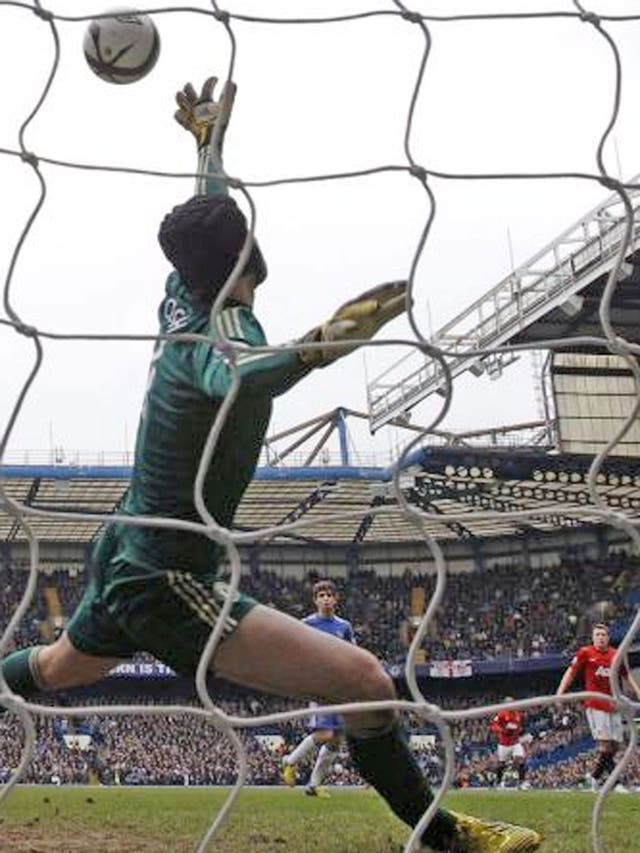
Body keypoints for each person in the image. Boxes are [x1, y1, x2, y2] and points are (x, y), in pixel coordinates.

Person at [0, 75, 542, 853]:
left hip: (128, 544)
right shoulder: (217, 341)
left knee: (53, 668)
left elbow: (211, 221)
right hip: (167, 574)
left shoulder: (182, 291)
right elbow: (244, 373)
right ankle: (442, 836)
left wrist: (208, 147)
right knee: (364, 681)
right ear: (248, 252)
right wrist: (321, 344)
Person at [281, 579, 355, 797]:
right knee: (325, 733)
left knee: (336, 739)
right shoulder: (307, 624)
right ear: (315, 600)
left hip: (339, 686)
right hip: (319, 684)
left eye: (329, 595)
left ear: (336, 599)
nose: (326, 599)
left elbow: (352, 653)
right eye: (321, 595)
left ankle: (313, 786)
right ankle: (290, 761)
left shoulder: (344, 626)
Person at [556, 622, 640, 791]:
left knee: (615, 745)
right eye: (597, 635)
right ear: (593, 638)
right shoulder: (585, 653)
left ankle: (594, 777)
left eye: (603, 635)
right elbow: (571, 672)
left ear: (608, 638)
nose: (601, 638)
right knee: (605, 745)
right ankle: (616, 783)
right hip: (595, 704)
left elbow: (626, 675)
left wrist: (638, 691)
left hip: (613, 704)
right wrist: (560, 692)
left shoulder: (616, 654)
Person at [489, 698, 528, 789]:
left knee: (520, 759)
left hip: (515, 743)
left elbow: (519, 726)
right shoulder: (501, 714)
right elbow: (494, 725)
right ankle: (498, 782)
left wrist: (519, 731)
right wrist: (503, 730)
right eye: (509, 703)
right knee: (501, 764)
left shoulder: (517, 714)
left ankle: (522, 782)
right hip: (504, 744)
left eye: (512, 702)